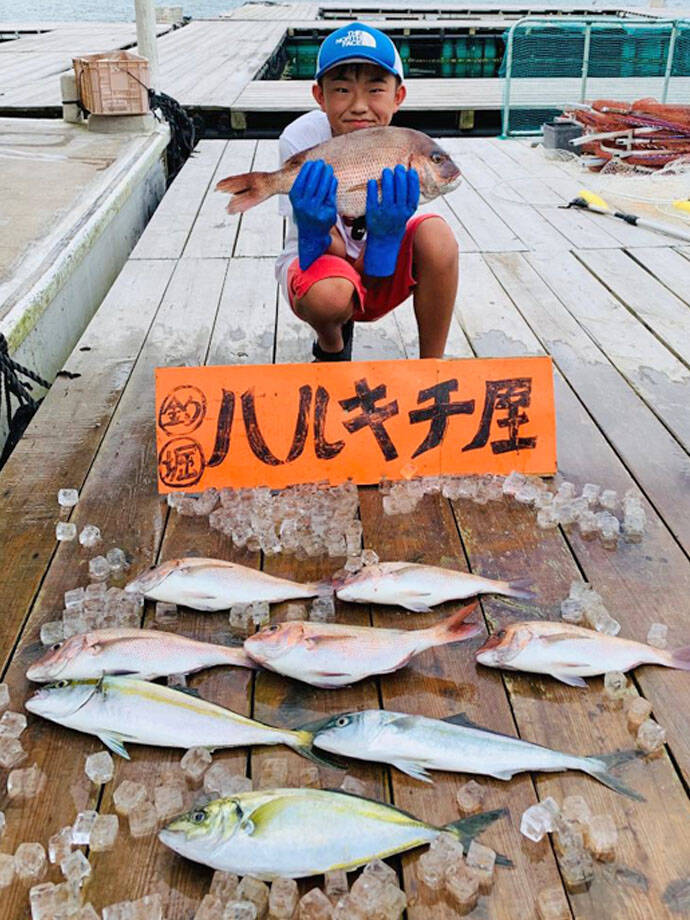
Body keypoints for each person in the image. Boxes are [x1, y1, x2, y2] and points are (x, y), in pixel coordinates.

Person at [274, 22, 459, 362]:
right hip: (320, 264)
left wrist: (386, 239)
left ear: (398, 96)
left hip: (379, 266)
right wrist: (315, 227)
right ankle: (331, 345)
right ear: (320, 96)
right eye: (342, 90)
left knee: (439, 236)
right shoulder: (300, 139)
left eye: (375, 90)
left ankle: (432, 367)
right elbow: (327, 246)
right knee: (331, 295)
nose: (359, 106)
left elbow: (385, 254)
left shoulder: (407, 143)